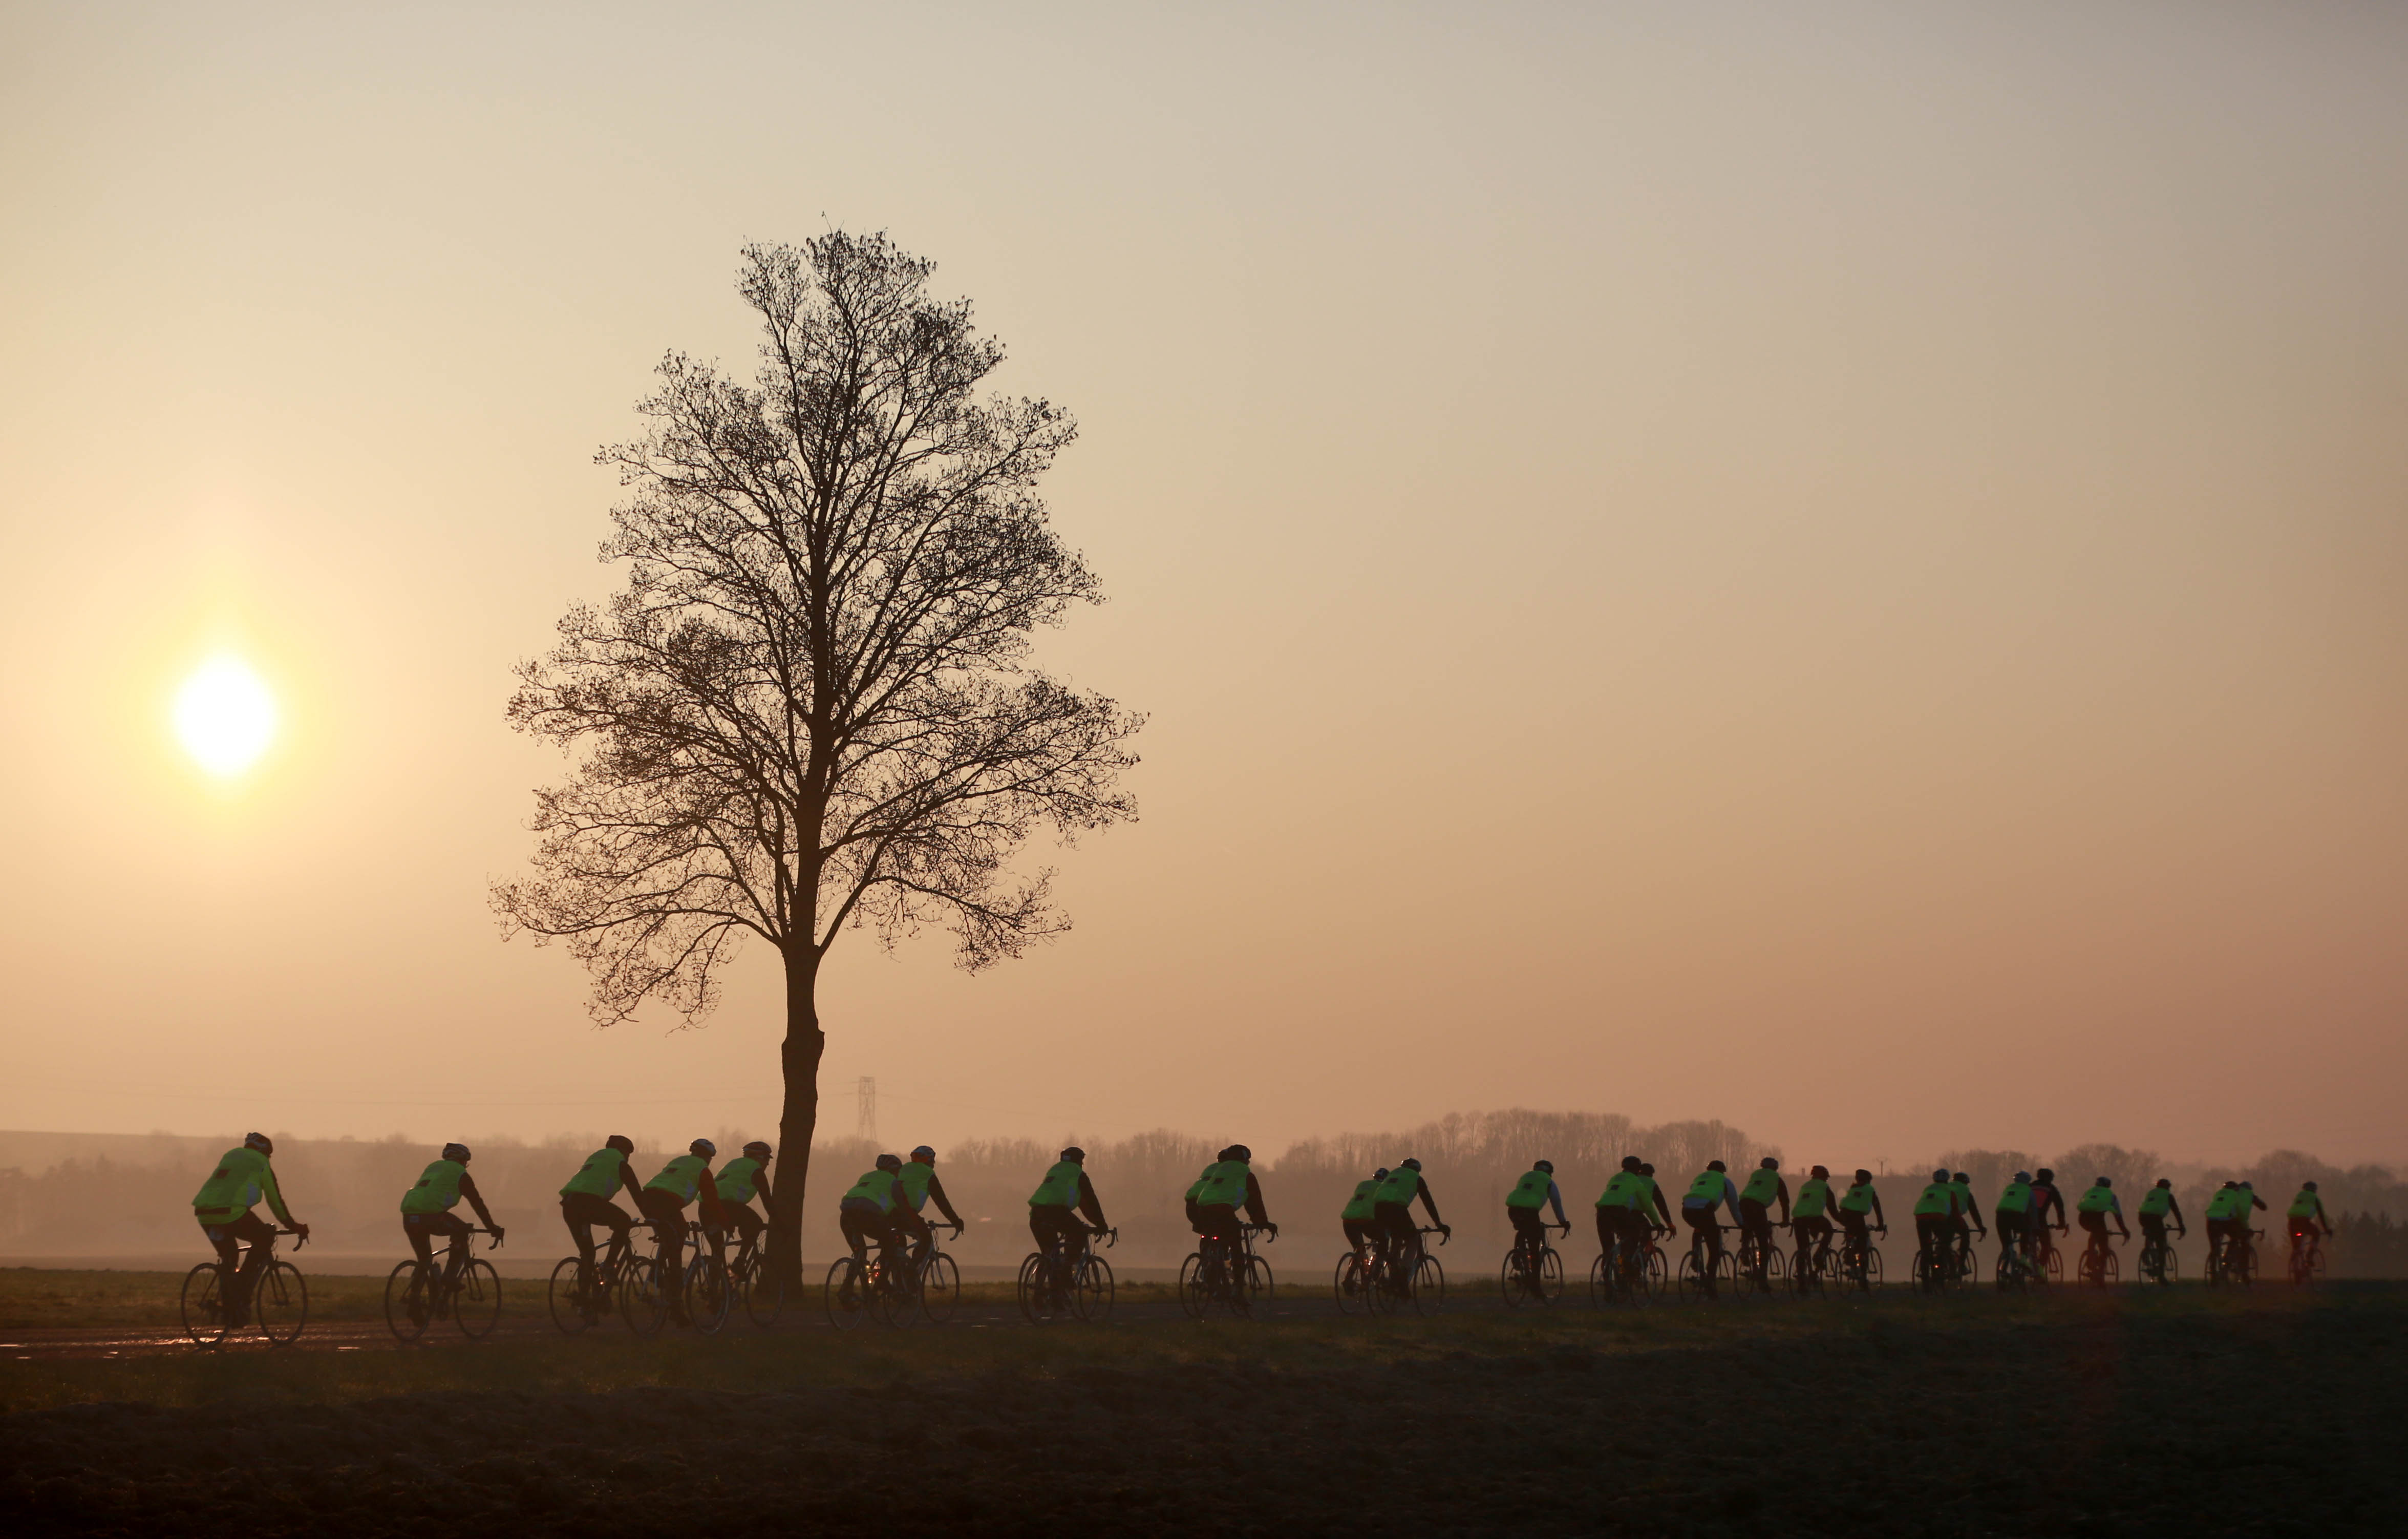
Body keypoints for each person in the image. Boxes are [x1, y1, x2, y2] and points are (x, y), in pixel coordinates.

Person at [190, 1132, 309, 1327]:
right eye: (269, 1155)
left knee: (230, 1257)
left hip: (204, 1214)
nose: (269, 1158)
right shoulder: (262, 1163)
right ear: (265, 1152)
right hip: (231, 1212)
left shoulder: (231, 1155)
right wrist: (293, 1226)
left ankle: (231, 1311)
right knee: (265, 1238)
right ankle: (243, 1289)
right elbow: (275, 1200)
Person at [399, 1143, 504, 1303]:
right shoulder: (461, 1174)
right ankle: (449, 1278)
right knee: (462, 1232)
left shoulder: (434, 1167)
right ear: (463, 1161)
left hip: (409, 1216)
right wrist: (492, 1228)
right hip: (431, 1216)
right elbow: (477, 1204)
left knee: (425, 1259)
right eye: (466, 1162)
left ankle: (414, 1299)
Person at [640, 1139, 731, 1321]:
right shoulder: (702, 1170)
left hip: (648, 1199)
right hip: (667, 1203)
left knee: (673, 1235)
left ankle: (657, 1272)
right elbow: (712, 1201)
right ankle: (675, 1304)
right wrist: (725, 1223)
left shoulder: (679, 1161)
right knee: (676, 1248)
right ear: (707, 1157)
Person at [559, 1134, 644, 1305]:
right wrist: (655, 1220)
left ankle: (585, 1302)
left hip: (570, 1205)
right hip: (588, 1203)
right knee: (624, 1221)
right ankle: (609, 1266)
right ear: (623, 1151)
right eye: (628, 1154)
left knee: (588, 1254)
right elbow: (638, 1196)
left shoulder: (596, 1158)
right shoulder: (620, 1164)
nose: (628, 1158)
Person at [1028, 1147, 1110, 1288]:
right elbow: (1091, 1201)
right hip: (1057, 1212)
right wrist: (1102, 1224)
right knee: (1080, 1233)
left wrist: (1098, 1222)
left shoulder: (1055, 1170)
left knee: (1049, 1254)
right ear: (1079, 1161)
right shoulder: (1078, 1174)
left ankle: (1044, 1293)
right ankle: (1066, 1273)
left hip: (1036, 1214)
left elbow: (1083, 1205)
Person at [838, 1154, 910, 1298]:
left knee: (860, 1253)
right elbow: (902, 1207)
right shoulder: (894, 1182)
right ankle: (882, 1281)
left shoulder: (866, 1176)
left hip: (847, 1213)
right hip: (868, 1214)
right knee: (889, 1242)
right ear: (894, 1170)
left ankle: (847, 1288)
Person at [1191, 1145, 1276, 1264]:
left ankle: (1207, 1265)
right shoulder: (1245, 1174)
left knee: (1212, 1235)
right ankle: (1238, 1275)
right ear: (1244, 1160)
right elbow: (1254, 1202)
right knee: (1235, 1242)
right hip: (1224, 1211)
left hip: (1201, 1209)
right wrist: (1262, 1222)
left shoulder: (1219, 1170)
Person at [1371, 1158, 1448, 1274]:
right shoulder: (1416, 1178)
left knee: (1397, 1238)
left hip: (1378, 1209)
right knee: (1413, 1239)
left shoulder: (1393, 1174)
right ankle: (1403, 1273)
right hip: (1397, 1209)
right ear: (1417, 1170)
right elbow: (1428, 1203)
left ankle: (1391, 1270)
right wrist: (1439, 1224)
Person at [1680, 1160, 1743, 1293]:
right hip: (1705, 1210)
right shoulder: (1725, 1181)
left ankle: (1695, 1257)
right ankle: (1710, 1281)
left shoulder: (1699, 1178)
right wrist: (1741, 1224)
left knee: (1700, 1227)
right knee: (1714, 1249)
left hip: (1686, 1210)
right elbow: (1734, 1208)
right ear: (1723, 1172)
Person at [894, 1145, 966, 1260]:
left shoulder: (903, 1168)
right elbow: (941, 1201)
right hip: (908, 1213)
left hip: (889, 1212)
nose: (934, 1163)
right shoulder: (928, 1173)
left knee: (897, 1243)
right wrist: (956, 1221)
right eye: (933, 1160)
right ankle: (913, 1269)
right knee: (926, 1239)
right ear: (929, 1160)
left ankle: (894, 1267)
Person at [711, 1141, 776, 1258]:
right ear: (758, 1157)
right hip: (727, 1206)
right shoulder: (756, 1170)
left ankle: (714, 1269)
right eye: (766, 1159)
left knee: (718, 1254)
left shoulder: (734, 1164)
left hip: (706, 1207)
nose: (768, 1163)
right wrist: (781, 1225)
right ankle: (740, 1261)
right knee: (756, 1223)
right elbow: (768, 1202)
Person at [1505, 1159, 1570, 1260]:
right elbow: (1556, 1203)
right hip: (1530, 1212)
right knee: (1534, 1244)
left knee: (1523, 1230)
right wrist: (1563, 1222)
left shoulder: (1525, 1176)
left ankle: (1518, 1256)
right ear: (1550, 1172)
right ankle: (1534, 1270)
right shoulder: (1548, 1181)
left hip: (1512, 1209)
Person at [1736, 1157, 1791, 1263]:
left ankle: (1745, 1249)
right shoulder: (1776, 1178)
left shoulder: (1755, 1175)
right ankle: (1762, 1272)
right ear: (1775, 1168)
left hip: (1742, 1203)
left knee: (1748, 1226)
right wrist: (1786, 1220)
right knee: (1762, 1240)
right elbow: (1785, 1201)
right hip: (1758, 1206)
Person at [1593, 1155, 1644, 1261]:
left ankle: (1609, 1268)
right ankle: (1627, 1263)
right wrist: (1657, 1222)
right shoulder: (1636, 1180)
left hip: (1602, 1212)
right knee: (1635, 1233)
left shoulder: (1614, 1178)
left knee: (1608, 1250)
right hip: (1619, 1212)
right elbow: (1647, 1205)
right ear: (1636, 1170)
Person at [1912, 1169, 1959, 1279]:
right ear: (1947, 1180)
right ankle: (1945, 1269)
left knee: (1926, 1248)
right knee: (1945, 1242)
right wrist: (1957, 1226)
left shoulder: (1928, 1189)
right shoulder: (1950, 1191)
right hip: (1938, 1218)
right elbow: (1955, 1212)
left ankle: (1925, 1277)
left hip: (1921, 1217)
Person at [1837, 1169, 1886, 1269]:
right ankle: (1862, 1269)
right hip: (1857, 1216)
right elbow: (1877, 1208)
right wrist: (1881, 1224)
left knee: (1851, 1232)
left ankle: (1848, 1254)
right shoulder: (1869, 1189)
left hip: (1843, 1215)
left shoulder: (1853, 1189)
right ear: (1868, 1180)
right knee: (1863, 1238)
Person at [2075, 1176, 2128, 1267]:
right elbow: (2118, 1216)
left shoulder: (2089, 1192)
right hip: (2098, 1219)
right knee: (2104, 1247)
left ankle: (2090, 1257)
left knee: (2095, 1232)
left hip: (2082, 1219)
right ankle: (2100, 1270)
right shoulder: (2111, 1195)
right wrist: (2124, 1230)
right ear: (2108, 1186)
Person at [1792, 1165, 1836, 1267]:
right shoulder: (1824, 1187)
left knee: (1803, 1249)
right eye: (1826, 1178)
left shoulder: (1805, 1186)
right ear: (1824, 1177)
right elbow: (1833, 1210)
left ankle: (1801, 1274)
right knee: (1829, 1231)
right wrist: (1844, 1222)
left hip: (1798, 1219)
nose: (1826, 1180)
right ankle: (1818, 1256)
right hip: (1814, 1218)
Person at [1342, 1167, 1389, 1259]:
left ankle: (1356, 1263)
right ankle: (1379, 1263)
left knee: (1360, 1251)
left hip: (1348, 1220)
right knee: (1383, 1238)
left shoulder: (1363, 1184)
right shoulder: (1384, 1187)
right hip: (1366, 1220)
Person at [1995, 1171, 2035, 1273]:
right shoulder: (2028, 1191)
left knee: (2007, 1245)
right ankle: (2023, 1257)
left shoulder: (2008, 1188)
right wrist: (2036, 1225)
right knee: (2026, 1232)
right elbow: (2034, 1210)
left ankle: (2003, 1268)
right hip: (2017, 1216)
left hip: (2000, 1216)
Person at [2137, 1177, 2185, 1259]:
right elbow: (2176, 1212)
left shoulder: (2151, 1193)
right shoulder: (2168, 1195)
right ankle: (2161, 1266)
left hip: (2142, 1217)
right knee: (2161, 1241)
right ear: (2167, 1187)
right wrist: (2181, 1226)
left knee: (2151, 1233)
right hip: (2155, 1218)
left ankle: (2147, 1250)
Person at [2286, 1180, 2334, 1258]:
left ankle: (2295, 1259)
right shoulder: (2315, 1198)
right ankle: (2310, 1256)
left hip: (2292, 1222)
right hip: (2304, 1222)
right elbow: (2322, 1216)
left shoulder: (2299, 1196)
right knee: (2317, 1233)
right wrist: (2327, 1230)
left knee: (2296, 1247)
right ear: (2314, 1190)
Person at [2203, 1180, 2242, 1271]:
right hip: (2224, 1220)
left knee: (2214, 1247)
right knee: (2235, 1237)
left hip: (2211, 1220)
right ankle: (2227, 1260)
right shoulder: (2234, 1195)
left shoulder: (2218, 1194)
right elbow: (2235, 1212)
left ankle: (2212, 1269)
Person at [1949, 1171, 1988, 1263]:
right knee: (1965, 1235)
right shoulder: (1966, 1191)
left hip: (1939, 1216)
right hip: (1955, 1217)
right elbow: (1974, 1212)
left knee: (1945, 1240)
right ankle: (1961, 1263)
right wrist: (1981, 1227)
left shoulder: (1946, 1187)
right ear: (1965, 1182)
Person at [2029, 1168, 2068, 1251]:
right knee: (2046, 1247)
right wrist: (2062, 1223)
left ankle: (2025, 1255)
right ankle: (2042, 1260)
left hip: (2025, 1217)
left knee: (2027, 1243)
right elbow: (2059, 1207)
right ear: (2050, 1178)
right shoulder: (2051, 1188)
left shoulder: (2030, 1186)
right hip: (2040, 1219)